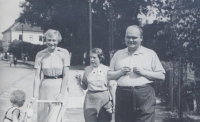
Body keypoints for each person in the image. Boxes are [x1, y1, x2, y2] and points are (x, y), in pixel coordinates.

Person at [107, 25, 166, 122]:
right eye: (128, 37)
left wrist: (144, 72)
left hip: (144, 95)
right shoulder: (118, 54)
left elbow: (161, 76)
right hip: (123, 95)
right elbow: (109, 76)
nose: (131, 40)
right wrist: (121, 72)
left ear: (141, 38)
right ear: (125, 37)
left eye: (134, 37)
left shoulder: (150, 54)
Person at [33, 29, 70, 122]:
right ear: (45, 40)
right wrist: (35, 94)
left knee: (54, 118)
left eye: (54, 40)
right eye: (49, 40)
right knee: (43, 117)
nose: (51, 42)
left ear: (58, 41)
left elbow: (66, 75)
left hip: (59, 89)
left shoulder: (64, 53)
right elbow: (37, 77)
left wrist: (61, 94)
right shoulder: (40, 55)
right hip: (44, 90)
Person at [76, 48, 114, 122]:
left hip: (104, 99)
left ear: (100, 58)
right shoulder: (87, 69)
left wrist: (114, 103)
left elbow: (111, 87)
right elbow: (84, 86)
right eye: (90, 57)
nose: (92, 59)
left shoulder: (107, 69)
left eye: (94, 57)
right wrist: (79, 81)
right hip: (90, 99)